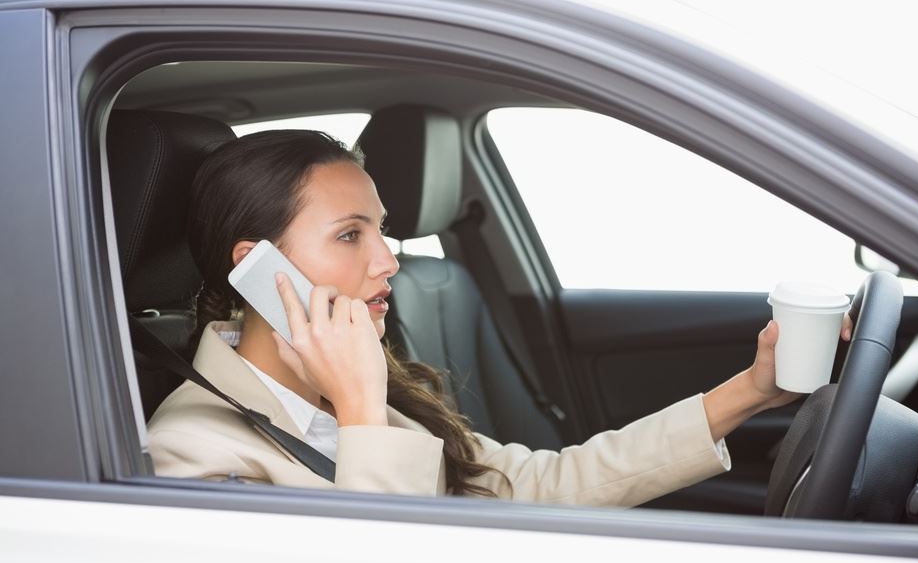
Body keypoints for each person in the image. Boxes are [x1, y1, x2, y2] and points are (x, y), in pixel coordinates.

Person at [148, 129, 851, 507]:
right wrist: (360, 411)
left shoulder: (358, 389)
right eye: (350, 234)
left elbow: (547, 483)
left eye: (383, 231)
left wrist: (752, 392)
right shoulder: (192, 452)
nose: (389, 261)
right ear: (257, 267)